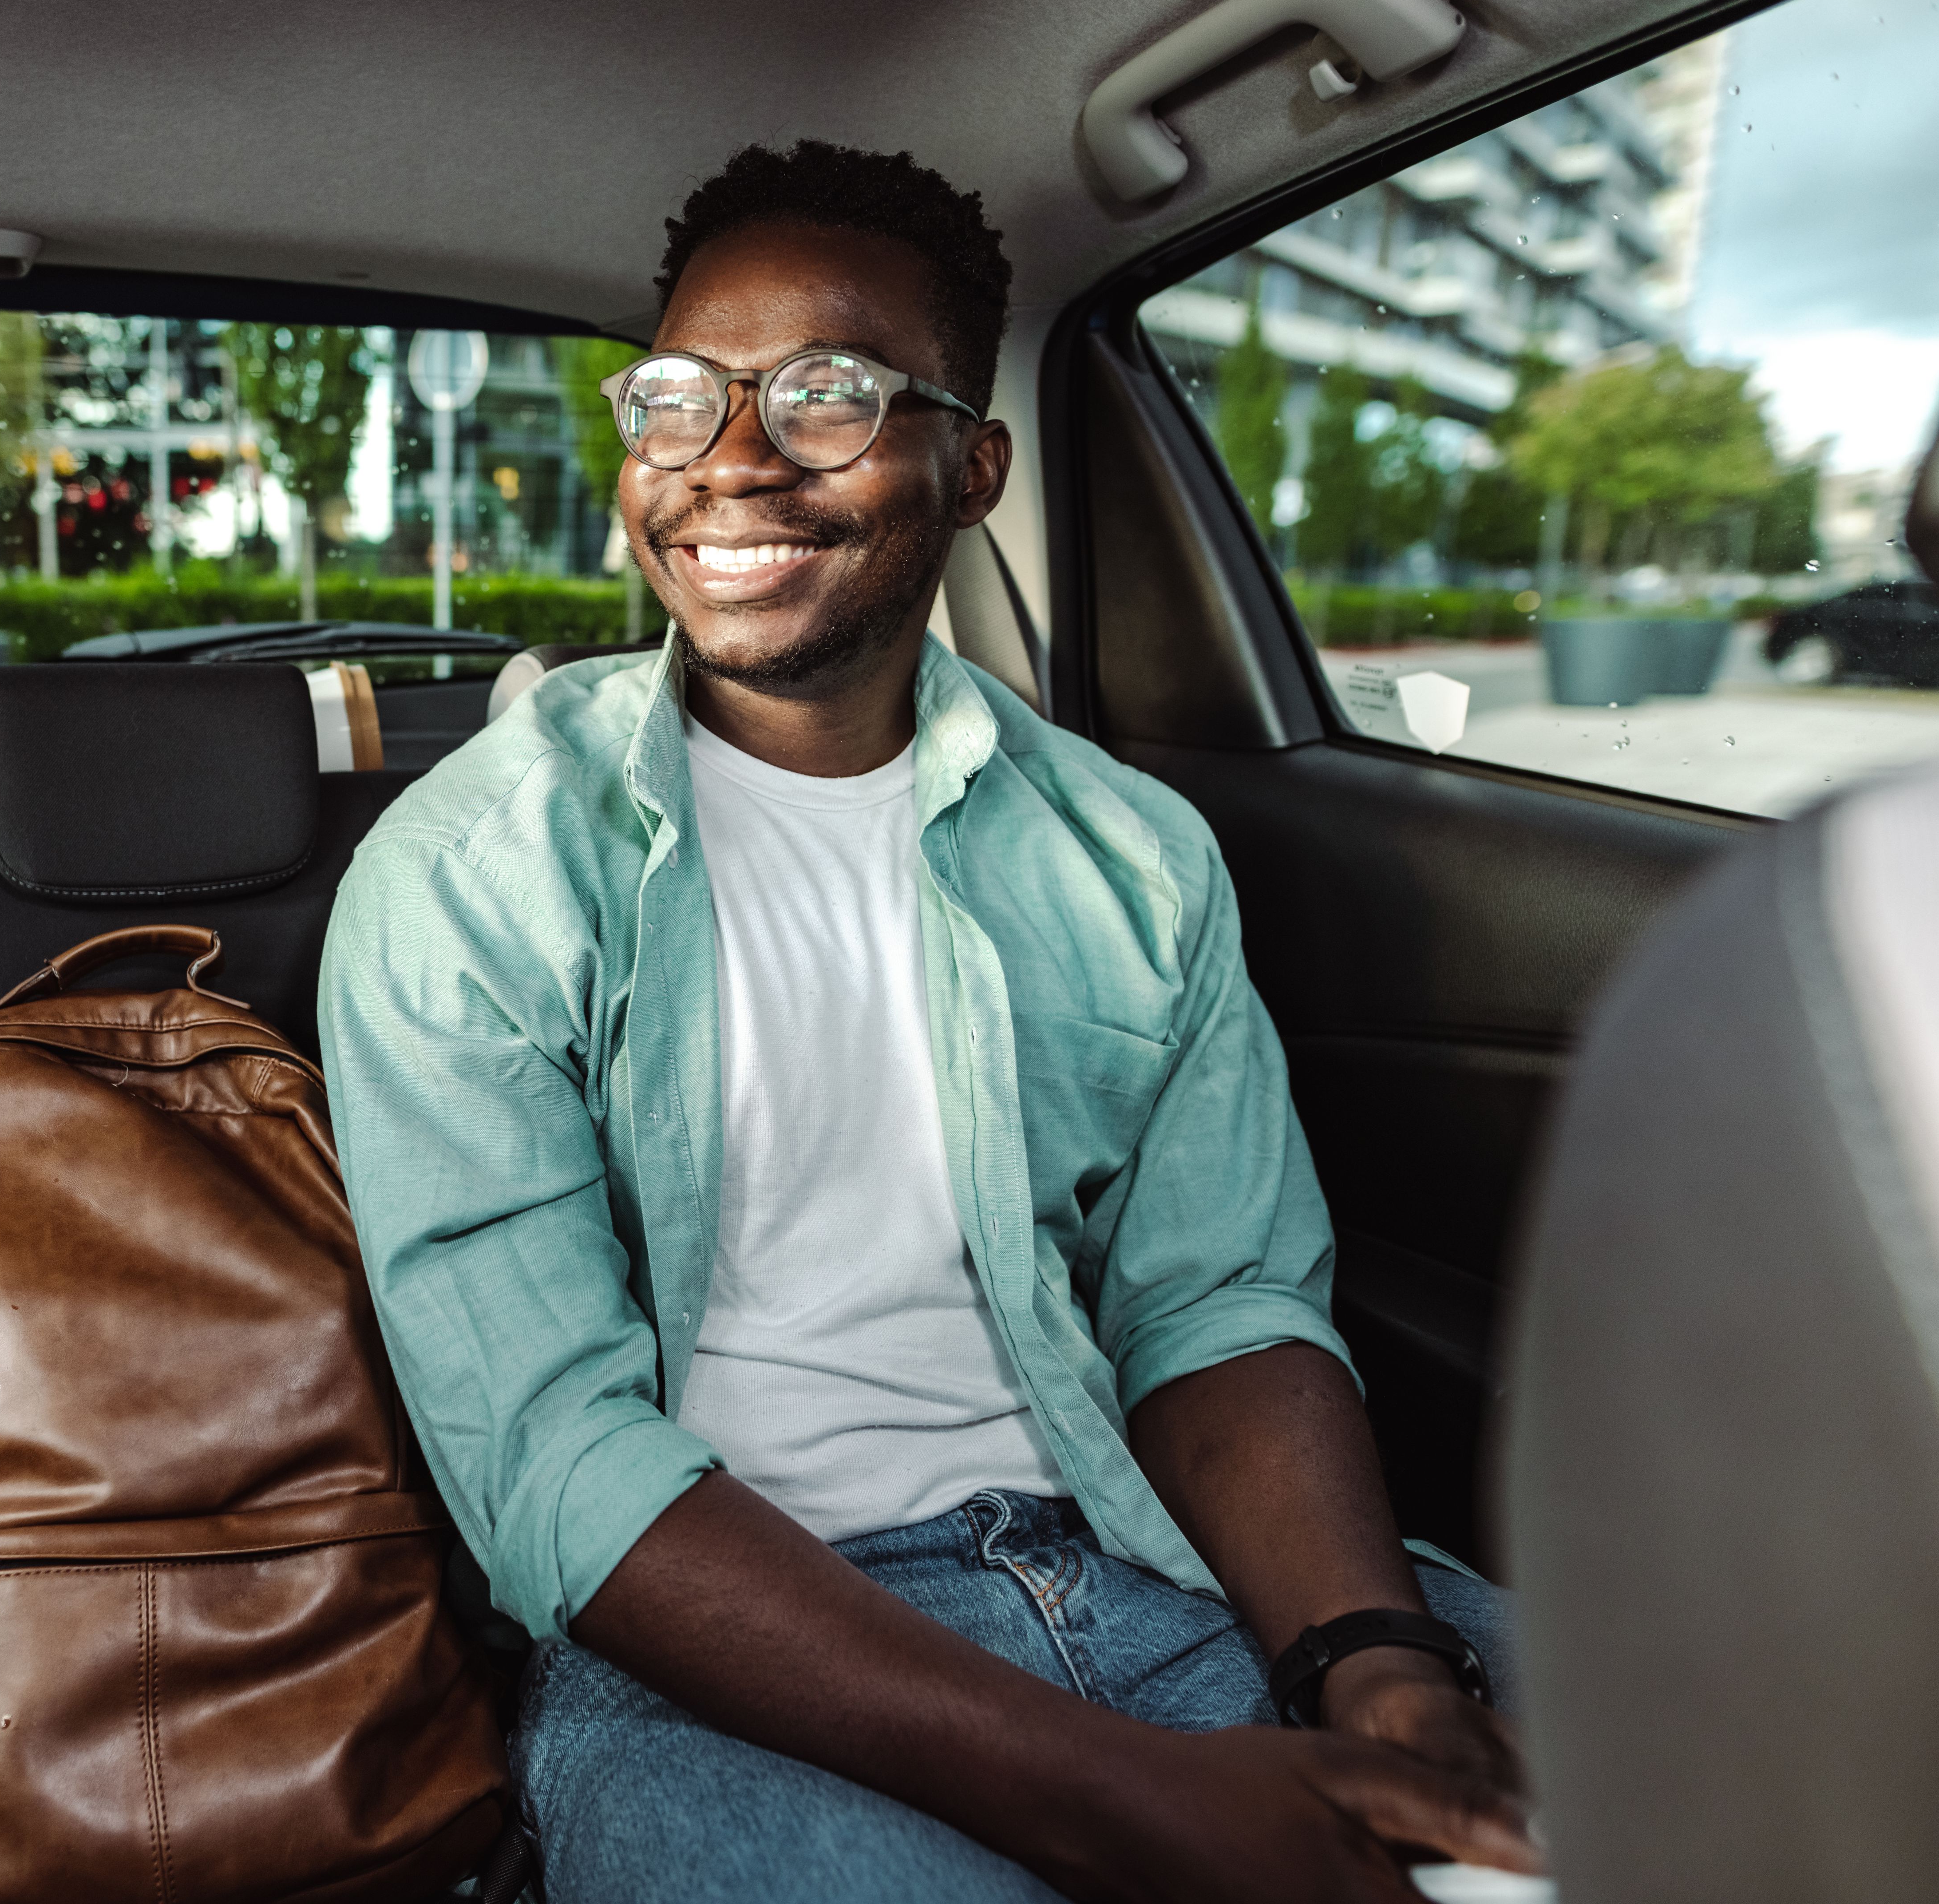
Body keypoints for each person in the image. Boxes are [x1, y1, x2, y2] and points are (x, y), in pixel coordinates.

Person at [318, 140, 1540, 1903]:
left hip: (1155, 1563)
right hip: (732, 1656)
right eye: (678, 398)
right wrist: (1123, 1800)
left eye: (826, 393)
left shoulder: (1134, 856)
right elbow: (550, 1461)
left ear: (973, 466)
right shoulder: (474, 872)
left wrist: (1381, 1662)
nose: (728, 460)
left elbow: (1216, 1307)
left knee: (1754, 1798)